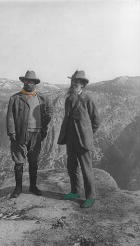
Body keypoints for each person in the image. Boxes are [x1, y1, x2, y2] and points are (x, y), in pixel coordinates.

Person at [7, 70, 53, 198]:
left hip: (36, 135)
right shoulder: (15, 98)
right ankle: (18, 188)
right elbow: (10, 116)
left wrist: (45, 125)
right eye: (26, 81)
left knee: (33, 161)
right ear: (23, 82)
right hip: (21, 134)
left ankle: (33, 186)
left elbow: (49, 113)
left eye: (31, 82)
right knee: (19, 161)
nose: (28, 84)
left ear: (35, 84)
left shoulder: (42, 98)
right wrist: (11, 132)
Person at [57, 70, 100, 208]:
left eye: (77, 82)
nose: (74, 84)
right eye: (73, 81)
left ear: (82, 85)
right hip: (70, 139)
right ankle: (75, 191)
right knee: (71, 166)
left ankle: (90, 196)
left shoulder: (88, 99)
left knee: (86, 168)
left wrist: (88, 134)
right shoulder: (69, 99)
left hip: (83, 140)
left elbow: (96, 121)